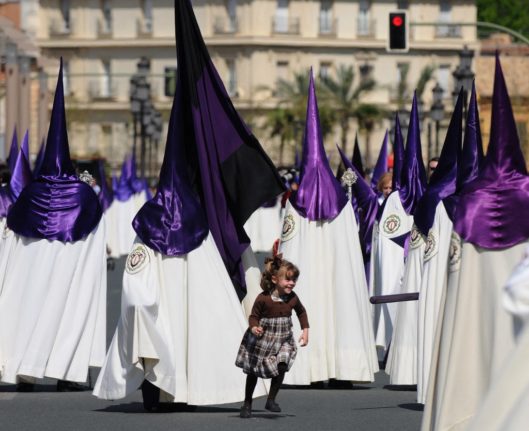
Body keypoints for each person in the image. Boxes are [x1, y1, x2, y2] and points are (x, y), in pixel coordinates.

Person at [236, 255, 309, 418]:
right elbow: (253, 316)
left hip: (283, 338)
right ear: (275, 279)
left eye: (294, 280)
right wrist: (254, 327)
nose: (292, 283)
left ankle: (271, 399)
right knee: (253, 371)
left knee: (282, 365)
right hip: (264, 338)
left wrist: (305, 330)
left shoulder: (292, 297)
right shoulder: (264, 298)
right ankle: (247, 403)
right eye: (288, 280)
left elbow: (301, 311)